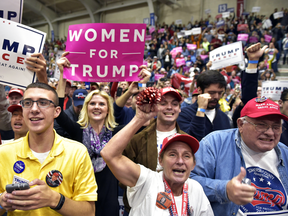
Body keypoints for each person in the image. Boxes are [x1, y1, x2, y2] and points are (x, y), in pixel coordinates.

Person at [0, 82, 97, 215]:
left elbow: (89, 212)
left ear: (57, 111)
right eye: (27, 103)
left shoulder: (77, 153)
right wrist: (2, 203)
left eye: (43, 102)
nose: (34, 109)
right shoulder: (3, 153)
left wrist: (55, 200)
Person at [101, 101, 214, 216]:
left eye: (186, 156)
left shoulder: (196, 189)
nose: (180, 161)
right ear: (160, 160)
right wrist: (139, 119)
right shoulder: (146, 181)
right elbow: (109, 154)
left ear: (193, 164)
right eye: (172, 154)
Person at [190, 97, 288, 216]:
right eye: (262, 125)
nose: (270, 132)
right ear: (241, 124)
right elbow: (189, 182)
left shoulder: (284, 153)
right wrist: (225, 190)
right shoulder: (215, 143)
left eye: (276, 127)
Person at [55, 52, 121, 216]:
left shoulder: (117, 133)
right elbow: (57, 111)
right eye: (92, 103)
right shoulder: (77, 130)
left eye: (101, 104)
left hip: (109, 197)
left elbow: (139, 123)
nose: (97, 107)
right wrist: (63, 75)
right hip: (82, 196)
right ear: (86, 108)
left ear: (107, 110)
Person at [121, 86, 186, 214]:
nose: (169, 107)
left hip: (178, 208)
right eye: (163, 103)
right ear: (155, 107)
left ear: (179, 108)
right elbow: (124, 178)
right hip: (144, 208)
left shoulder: (188, 141)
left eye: (174, 104)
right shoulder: (137, 140)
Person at [177, 70, 230, 141]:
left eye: (220, 93)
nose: (216, 97)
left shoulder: (224, 117)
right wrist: (200, 111)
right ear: (199, 90)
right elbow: (191, 142)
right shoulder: (183, 114)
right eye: (212, 93)